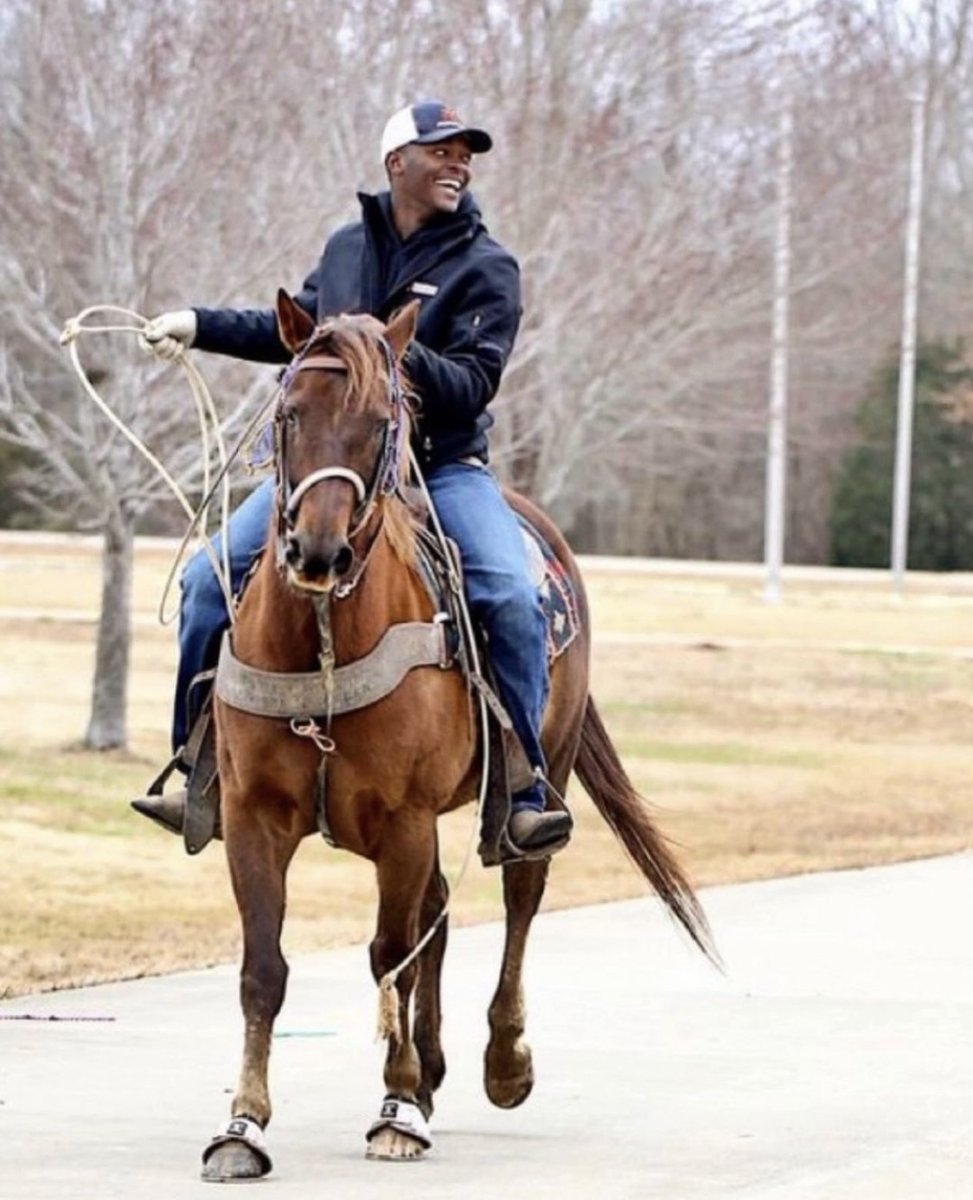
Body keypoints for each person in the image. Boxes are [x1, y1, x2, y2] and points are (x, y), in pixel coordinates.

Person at [134, 99, 572, 854]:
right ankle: (196, 766)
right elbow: (298, 334)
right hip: (332, 471)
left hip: (440, 471)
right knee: (207, 583)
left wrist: (383, 348)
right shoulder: (346, 250)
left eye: (466, 155)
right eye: (442, 151)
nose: (458, 165)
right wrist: (199, 324)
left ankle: (522, 787)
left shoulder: (487, 266)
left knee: (510, 592)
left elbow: (475, 383)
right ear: (396, 162)